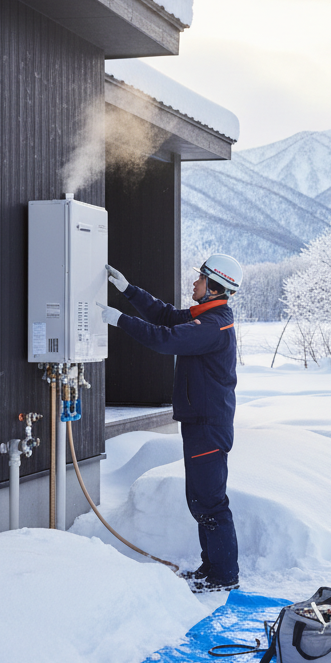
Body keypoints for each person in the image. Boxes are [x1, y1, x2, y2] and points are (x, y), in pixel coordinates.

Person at [97, 254, 244, 593]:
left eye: (201, 279)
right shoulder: (204, 317)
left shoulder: (213, 326)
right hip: (200, 423)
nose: (194, 283)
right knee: (201, 500)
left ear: (215, 287)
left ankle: (223, 577)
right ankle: (213, 570)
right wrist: (129, 290)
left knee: (210, 502)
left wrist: (120, 320)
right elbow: (165, 316)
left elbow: (166, 339)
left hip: (208, 425)